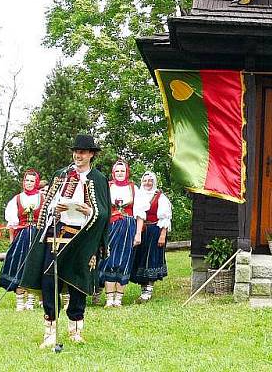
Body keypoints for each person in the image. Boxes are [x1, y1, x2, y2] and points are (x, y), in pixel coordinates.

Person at [20, 134, 110, 348]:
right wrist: (55, 208)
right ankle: (50, 332)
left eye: (83, 152)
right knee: (50, 281)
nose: (78, 155)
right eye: (76, 151)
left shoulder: (98, 179)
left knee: (78, 283)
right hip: (57, 234)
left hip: (83, 238)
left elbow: (104, 213)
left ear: (91, 155)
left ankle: (75, 331)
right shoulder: (61, 175)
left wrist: (89, 210)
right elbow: (48, 204)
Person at [0, 169, 43, 310]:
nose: (29, 183)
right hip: (22, 236)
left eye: (32, 181)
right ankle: (20, 302)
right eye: (27, 180)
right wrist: (12, 239)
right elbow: (12, 222)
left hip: (37, 235)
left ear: (36, 182)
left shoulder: (42, 198)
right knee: (19, 265)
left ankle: (30, 301)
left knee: (35, 267)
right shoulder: (17, 199)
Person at [98, 159, 138, 307]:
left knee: (124, 260)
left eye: (122, 171)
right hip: (111, 225)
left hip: (128, 226)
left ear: (127, 172)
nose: (120, 173)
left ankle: (118, 299)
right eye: (117, 171)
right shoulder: (107, 187)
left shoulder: (134, 188)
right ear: (113, 173)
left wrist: (138, 233)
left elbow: (139, 213)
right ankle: (109, 299)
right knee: (109, 259)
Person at [131, 171, 172, 302]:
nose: (147, 183)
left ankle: (148, 291)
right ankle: (143, 290)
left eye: (150, 180)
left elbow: (165, 218)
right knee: (141, 259)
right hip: (141, 231)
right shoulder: (137, 195)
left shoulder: (161, 197)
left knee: (151, 260)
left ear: (154, 182)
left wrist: (162, 235)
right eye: (145, 180)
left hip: (155, 231)